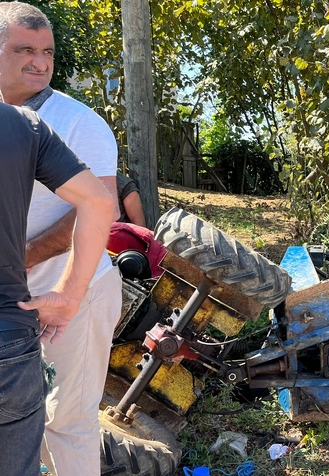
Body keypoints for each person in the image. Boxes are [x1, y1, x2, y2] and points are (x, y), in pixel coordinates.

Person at [0, 3, 122, 475]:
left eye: (47, 51)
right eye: (24, 49)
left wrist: (19, 261)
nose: (40, 61)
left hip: (75, 291)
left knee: (65, 421)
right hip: (19, 298)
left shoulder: (77, 122)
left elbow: (96, 210)